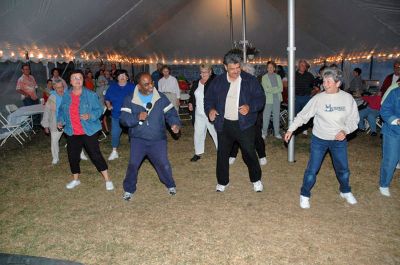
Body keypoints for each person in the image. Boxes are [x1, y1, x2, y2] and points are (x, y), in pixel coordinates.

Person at [284, 67, 359, 209]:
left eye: (329, 81)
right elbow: (303, 115)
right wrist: (291, 129)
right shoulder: (318, 98)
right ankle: (304, 194)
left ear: (338, 83)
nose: (325, 84)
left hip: (339, 141)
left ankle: (345, 190)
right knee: (312, 170)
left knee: (343, 169)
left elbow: (354, 120)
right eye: (324, 81)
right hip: (319, 140)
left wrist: (345, 130)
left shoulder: (347, 99)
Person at [204, 51, 266, 192]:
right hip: (224, 124)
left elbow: (260, 99)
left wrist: (250, 107)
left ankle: (256, 180)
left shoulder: (250, 80)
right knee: (222, 154)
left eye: (238, 68)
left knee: (249, 152)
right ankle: (222, 182)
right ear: (225, 67)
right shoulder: (218, 81)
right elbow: (208, 99)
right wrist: (211, 110)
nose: (236, 71)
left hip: (244, 124)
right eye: (232, 68)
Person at [120, 73, 181, 200]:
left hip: (157, 138)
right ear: (139, 86)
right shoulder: (129, 99)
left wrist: (174, 124)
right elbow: (123, 120)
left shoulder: (160, 97)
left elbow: (171, 113)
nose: (151, 86)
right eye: (146, 84)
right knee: (133, 165)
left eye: (151, 82)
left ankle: (170, 185)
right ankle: (129, 189)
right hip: (138, 139)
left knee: (163, 164)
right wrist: (137, 117)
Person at [57, 69, 114, 190]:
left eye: (80, 78)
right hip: (72, 131)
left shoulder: (90, 94)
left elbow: (99, 109)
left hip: (88, 130)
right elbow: (61, 110)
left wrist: (90, 116)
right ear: (70, 81)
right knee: (72, 156)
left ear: (83, 80)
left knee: (95, 155)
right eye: (75, 78)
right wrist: (60, 120)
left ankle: (107, 180)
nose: (77, 80)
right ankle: (75, 179)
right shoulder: (66, 95)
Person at [228, 62, 267, 166]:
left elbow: (260, 100)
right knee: (235, 136)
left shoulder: (255, 82)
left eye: (244, 71)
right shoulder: (236, 82)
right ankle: (233, 155)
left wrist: (250, 108)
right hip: (238, 115)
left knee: (257, 136)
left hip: (253, 115)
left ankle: (262, 155)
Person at [188, 64, 217, 162]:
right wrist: (191, 103)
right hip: (198, 113)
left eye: (205, 72)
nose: (203, 74)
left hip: (210, 113)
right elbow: (192, 95)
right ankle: (198, 153)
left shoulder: (214, 82)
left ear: (210, 72)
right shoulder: (196, 83)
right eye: (201, 72)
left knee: (215, 133)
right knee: (198, 133)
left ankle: (221, 151)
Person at [104, 69, 135, 160]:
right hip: (116, 114)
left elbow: (139, 98)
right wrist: (109, 105)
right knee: (115, 133)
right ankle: (114, 151)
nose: (122, 77)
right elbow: (107, 97)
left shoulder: (132, 87)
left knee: (133, 133)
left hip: (130, 115)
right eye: (120, 75)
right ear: (117, 78)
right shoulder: (112, 87)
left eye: (124, 75)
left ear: (127, 77)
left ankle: (135, 150)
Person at [378, 87, 400, 197]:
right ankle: (384, 184)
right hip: (393, 131)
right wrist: (397, 120)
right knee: (390, 159)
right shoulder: (395, 92)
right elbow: (384, 110)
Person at [41, 79, 65, 164]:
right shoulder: (51, 98)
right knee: (54, 141)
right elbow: (47, 111)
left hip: (68, 123)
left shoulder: (68, 95)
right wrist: (46, 125)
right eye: (58, 87)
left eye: (61, 87)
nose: (60, 89)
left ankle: (80, 153)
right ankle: (55, 158)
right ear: (54, 88)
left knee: (76, 139)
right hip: (55, 123)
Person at [261, 61, 283, 139]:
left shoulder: (278, 77)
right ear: (267, 68)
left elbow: (281, 88)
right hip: (268, 100)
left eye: (271, 67)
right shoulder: (264, 77)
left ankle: (277, 133)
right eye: (268, 67)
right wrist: (275, 89)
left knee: (276, 117)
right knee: (266, 116)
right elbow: (266, 89)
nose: (270, 68)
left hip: (277, 99)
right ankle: (264, 132)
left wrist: (272, 89)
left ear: (274, 68)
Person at [295, 59, 315, 135]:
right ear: (298, 66)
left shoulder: (310, 75)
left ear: (306, 66)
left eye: (304, 65)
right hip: (296, 97)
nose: (303, 66)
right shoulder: (294, 75)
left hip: (306, 97)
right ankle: (295, 128)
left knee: (306, 114)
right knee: (296, 114)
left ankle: (305, 129)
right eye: (301, 65)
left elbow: (315, 86)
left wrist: (311, 94)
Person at [96, 69, 110, 134]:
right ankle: (104, 130)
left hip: (107, 105)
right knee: (101, 118)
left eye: (103, 80)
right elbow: (98, 96)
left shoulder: (108, 86)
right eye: (100, 81)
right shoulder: (98, 88)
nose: (102, 82)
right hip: (101, 105)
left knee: (103, 118)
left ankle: (105, 130)